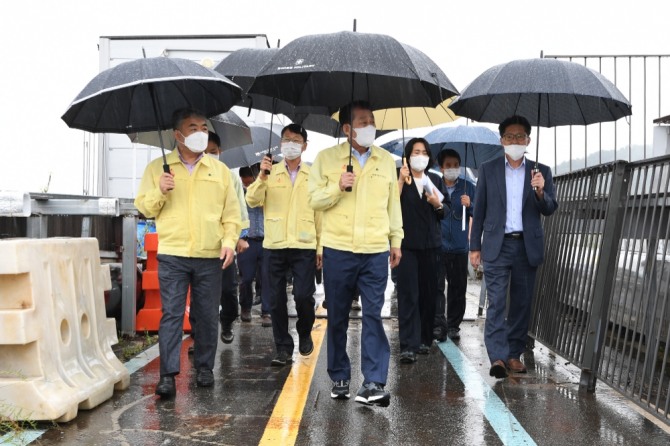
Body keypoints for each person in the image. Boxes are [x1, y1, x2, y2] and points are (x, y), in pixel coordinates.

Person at [134, 108, 241, 397]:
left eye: (203, 128)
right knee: (171, 314)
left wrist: (230, 241)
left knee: (206, 315)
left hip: (210, 254)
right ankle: (168, 375)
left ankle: (205, 367)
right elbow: (144, 207)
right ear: (177, 135)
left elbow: (232, 214)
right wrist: (160, 191)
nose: (200, 133)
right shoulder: (159, 168)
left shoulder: (219, 172)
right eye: (193, 128)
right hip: (173, 252)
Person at [308, 101, 403, 407]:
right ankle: (339, 376)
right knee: (337, 316)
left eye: (372, 121)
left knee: (373, 315)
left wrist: (396, 239)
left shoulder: (386, 160)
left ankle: (373, 382)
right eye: (362, 122)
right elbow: (315, 200)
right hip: (339, 250)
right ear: (347, 128)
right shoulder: (326, 159)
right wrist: (337, 187)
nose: (369, 127)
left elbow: (393, 204)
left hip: (375, 251)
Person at [469, 115, 558, 379]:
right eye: (510, 136)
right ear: (502, 140)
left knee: (521, 302)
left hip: (526, 246)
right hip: (497, 244)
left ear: (528, 140)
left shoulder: (541, 171)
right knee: (496, 302)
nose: (515, 141)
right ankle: (497, 356)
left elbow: (550, 208)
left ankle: (513, 354)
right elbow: (480, 207)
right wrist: (475, 246)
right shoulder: (489, 168)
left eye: (520, 136)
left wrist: (541, 191)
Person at [246, 124, 322, 366]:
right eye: (286, 139)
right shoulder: (270, 172)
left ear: (305, 146)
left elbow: (319, 213)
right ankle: (283, 347)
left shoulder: (313, 176)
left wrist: (320, 247)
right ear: (280, 144)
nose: (290, 143)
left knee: (303, 296)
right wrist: (261, 176)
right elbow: (252, 200)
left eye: (296, 139)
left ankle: (304, 329)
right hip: (275, 244)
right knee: (276, 299)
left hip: (304, 244)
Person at [396, 138, 444, 364]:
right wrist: (399, 180)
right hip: (406, 245)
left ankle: (425, 339)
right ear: (407, 155)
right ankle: (407, 344)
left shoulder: (433, 179)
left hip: (431, 244)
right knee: (408, 294)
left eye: (424, 152)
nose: (420, 156)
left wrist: (437, 203)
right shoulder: (400, 176)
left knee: (428, 294)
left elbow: (443, 213)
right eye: (416, 151)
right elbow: (390, 204)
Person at [206, 131, 249, 345]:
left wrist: (238, 238)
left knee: (229, 290)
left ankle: (228, 321)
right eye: (205, 151)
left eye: (213, 151)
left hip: (225, 244)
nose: (209, 155)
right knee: (201, 295)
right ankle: (200, 335)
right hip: (202, 246)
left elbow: (239, 209)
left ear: (219, 152)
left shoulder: (229, 176)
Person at [433, 149, 475, 342]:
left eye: (456, 165)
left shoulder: (468, 187)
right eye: (448, 166)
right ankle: (437, 324)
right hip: (438, 245)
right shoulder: (434, 186)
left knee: (458, 288)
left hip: (459, 246)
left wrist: (470, 204)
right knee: (437, 287)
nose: (452, 169)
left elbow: (479, 211)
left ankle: (453, 325)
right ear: (441, 167)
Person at [238, 166, 272, 328]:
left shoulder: (267, 189)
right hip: (247, 241)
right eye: (244, 184)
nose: (247, 186)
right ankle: (245, 307)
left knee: (267, 277)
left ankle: (267, 312)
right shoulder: (240, 194)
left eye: (249, 182)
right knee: (246, 278)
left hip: (267, 240)